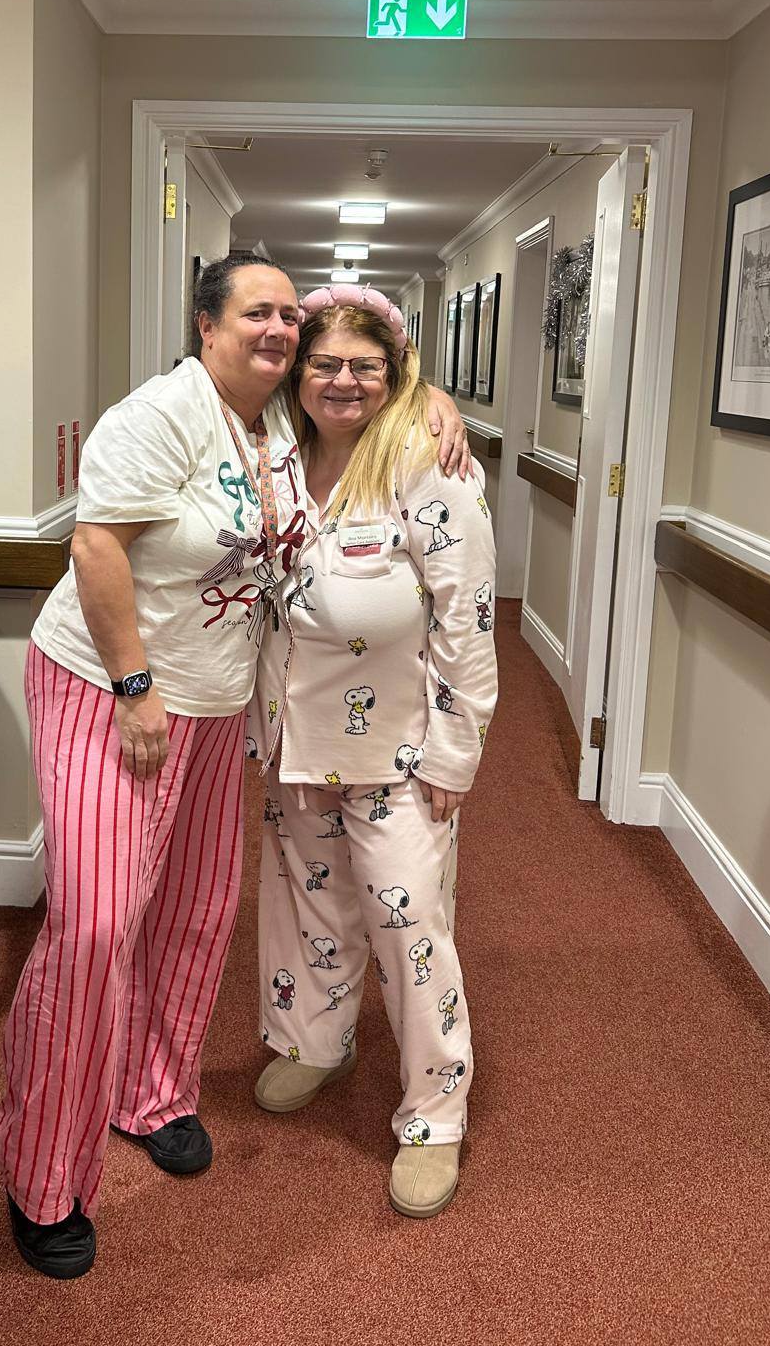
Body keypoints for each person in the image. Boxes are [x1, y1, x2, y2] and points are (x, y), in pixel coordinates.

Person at [0, 256, 471, 1281]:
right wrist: (133, 686)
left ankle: (153, 1094)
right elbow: (96, 548)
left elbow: (363, 390)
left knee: (199, 911)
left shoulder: (276, 428)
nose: (281, 331)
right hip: (115, 689)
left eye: (291, 315)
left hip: (218, 709)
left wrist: (431, 395)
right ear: (205, 324)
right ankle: (42, 1171)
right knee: (98, 924)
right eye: (259, 311)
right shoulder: (161, 413)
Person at [246, 281, 497, 1220]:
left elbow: (469, 620)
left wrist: (453, 754)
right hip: (294, 741)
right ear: (297, 373)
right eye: (325, 364)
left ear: (396, 376)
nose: (343, 382)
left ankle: (435, 1112)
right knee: (307, 908)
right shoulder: (273, 455)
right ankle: (316, 1041)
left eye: (366, 367)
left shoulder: (429, 464)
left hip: (399, 750)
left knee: (409, 928)